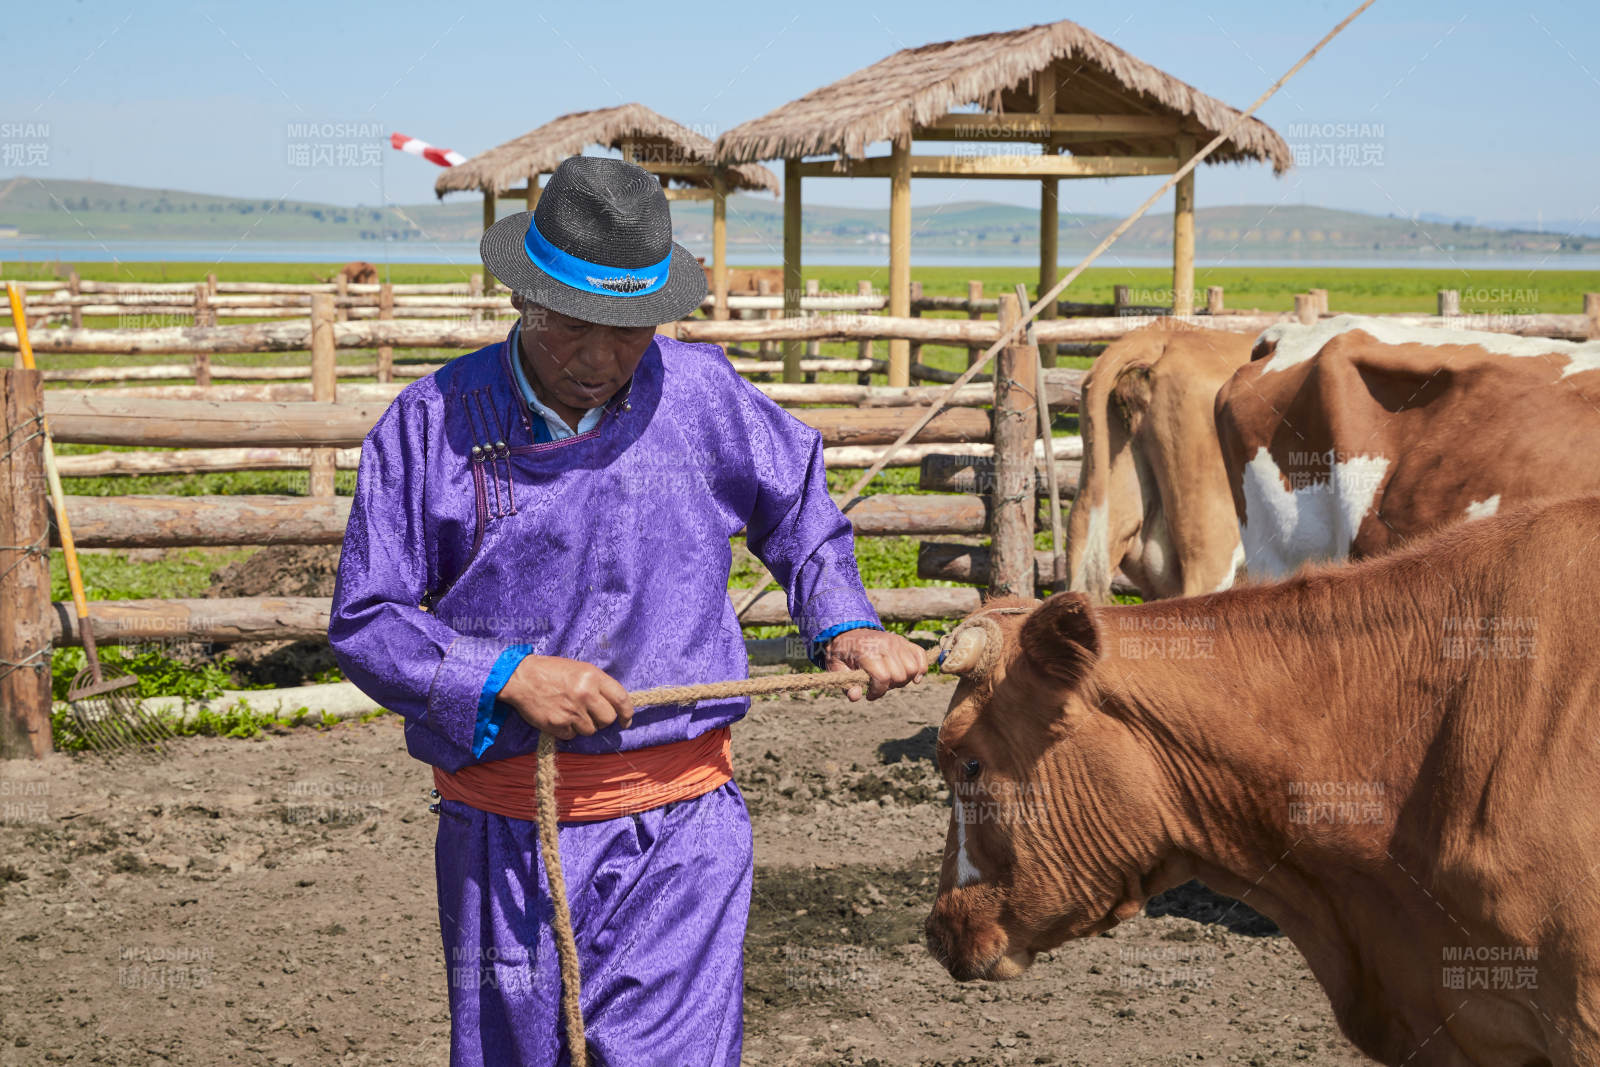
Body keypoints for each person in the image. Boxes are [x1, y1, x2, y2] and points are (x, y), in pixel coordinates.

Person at [327, 154, 928, 1067]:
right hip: (504, 837)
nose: (602, 359)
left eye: (632, 329)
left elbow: (799, 504)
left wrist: (843, 618)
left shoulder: (702, 396)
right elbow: (368, 618)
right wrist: (506, 673)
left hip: (681, 829)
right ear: (524, 300)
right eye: (575, 324)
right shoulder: (430, 425)